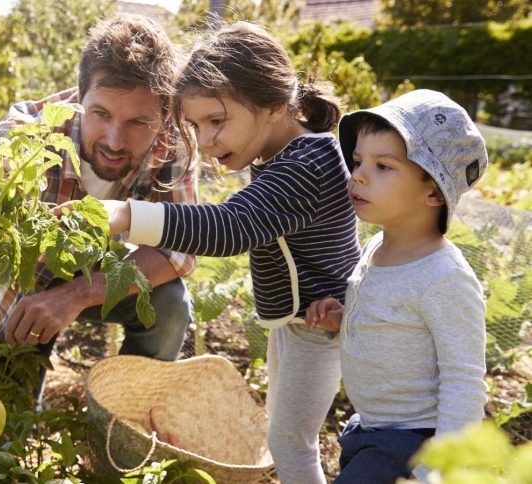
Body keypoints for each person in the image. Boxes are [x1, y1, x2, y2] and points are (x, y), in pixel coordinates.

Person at [70, 22, 362, 483]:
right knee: (292, 437)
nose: (204, 142)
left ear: (274, 105)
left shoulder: (307, 164)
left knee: (295, 442)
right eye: (194, 125)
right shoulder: (286, 157)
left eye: (216, 121)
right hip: (304, 323)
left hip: (322, 327)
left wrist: (126, 215)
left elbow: (228, 228)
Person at [0, 16, 198, 396]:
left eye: (137, 122)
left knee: (169, 304)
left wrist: (75, 294)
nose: (115, 139)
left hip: (99, 273)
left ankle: (127, 417)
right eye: (101, 114)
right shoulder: (30, 134)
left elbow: (176, 249)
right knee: (4, 410)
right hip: (25, 286)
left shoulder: (173, 144)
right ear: (79, 97)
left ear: (163, 115)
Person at [305, 89, 489, 483]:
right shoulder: (376, 247)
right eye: (358, 161)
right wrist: (344, 320)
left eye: (383, 166)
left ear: (433, 191)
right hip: (369, 429)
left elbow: (464, 380)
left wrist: (439, 470)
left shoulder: (444, 278)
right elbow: (391, 320)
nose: (359, 175)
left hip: (413, 442)